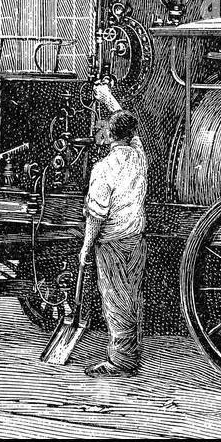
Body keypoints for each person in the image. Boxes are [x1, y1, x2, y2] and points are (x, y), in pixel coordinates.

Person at [80, 81, 148, 377]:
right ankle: (130, 353)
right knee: (131, 296)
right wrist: (108, 98)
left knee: (114, 298)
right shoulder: (138, 155)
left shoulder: (103, 168)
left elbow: (95, 215)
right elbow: (128, 125)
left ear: (108, 135)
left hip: (111, 241)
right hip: (136, 236)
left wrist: (85, 247)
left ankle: (121, 361)